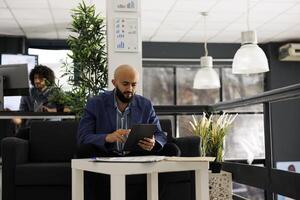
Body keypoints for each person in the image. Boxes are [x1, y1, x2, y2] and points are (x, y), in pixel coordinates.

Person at [77, 64, 180, 158]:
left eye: (133, 84)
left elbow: (160, 134)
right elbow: (83, 138)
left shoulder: (145, 105)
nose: (130, 89)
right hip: (107, 154)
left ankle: (153, 178)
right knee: (84, 150)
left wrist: (153, 142)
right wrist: (107, 137)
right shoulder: (96, 103)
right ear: (114, 83)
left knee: (172, 149)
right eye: (125, 84)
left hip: (136, 154)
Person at [13, 65, 68, 139]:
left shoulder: (56, 92)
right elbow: (22, 117)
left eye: (40, 78)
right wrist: (13, 116)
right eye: (35, 78)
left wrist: (51, 111)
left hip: (51, 127)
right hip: (32, 128)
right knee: (16, 138)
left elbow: (69, 109)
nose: (37, 81)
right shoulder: (27, 93)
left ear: (48, 79)